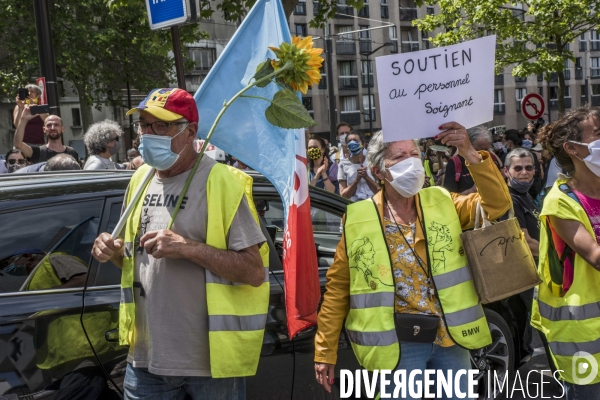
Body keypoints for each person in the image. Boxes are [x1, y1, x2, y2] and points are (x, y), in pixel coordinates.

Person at [90, 88, 268, 399]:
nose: (148, 135)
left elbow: (254, 272)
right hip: (145, 361)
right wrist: (115, 251)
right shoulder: (139, 178)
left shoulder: (221, 181)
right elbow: (132, 259)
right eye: (144, 125)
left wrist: (187, 247)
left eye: (161, 126)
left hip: (209, 366)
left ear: (190, 132)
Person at [314, 124, 511, 398]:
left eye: (414, 154)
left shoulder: (442, 200)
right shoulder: (358, 217)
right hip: (400, 346)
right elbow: (338, 289)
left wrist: (469, 152)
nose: (411, 162)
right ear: (379, 171)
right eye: (399, 157)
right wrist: (325, 351)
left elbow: (497, 205)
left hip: (449, 339)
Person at [531, 106, 600, 399]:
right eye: (597, 134)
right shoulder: (560, 201)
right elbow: (595, 257)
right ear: (573, 148)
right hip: (580, 331)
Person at [14, 106, 79, 164]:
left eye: (56, 125)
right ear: (44, 129)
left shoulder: (72, 152)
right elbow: (18, 144)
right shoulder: (38, 152)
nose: (52, 128)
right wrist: (23, 119)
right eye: (49, 125)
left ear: (63, 129)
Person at [443, 125, 495, 194]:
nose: (483, 154)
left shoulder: (490, 159)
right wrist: (471, 191)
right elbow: (449, 199)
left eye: (487, 149)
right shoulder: (455, 163)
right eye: (479, 150)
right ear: (467, 145)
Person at [338, 131, 378, 201]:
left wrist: (366, 177)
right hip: (354, 204)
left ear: (363, 144)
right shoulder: (343, 164)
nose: (352, 143)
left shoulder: (373, 161)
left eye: (355, 140)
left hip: (373, 203)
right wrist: (356, 180)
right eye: (349, 141)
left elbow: (380, 191)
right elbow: (343, 196)